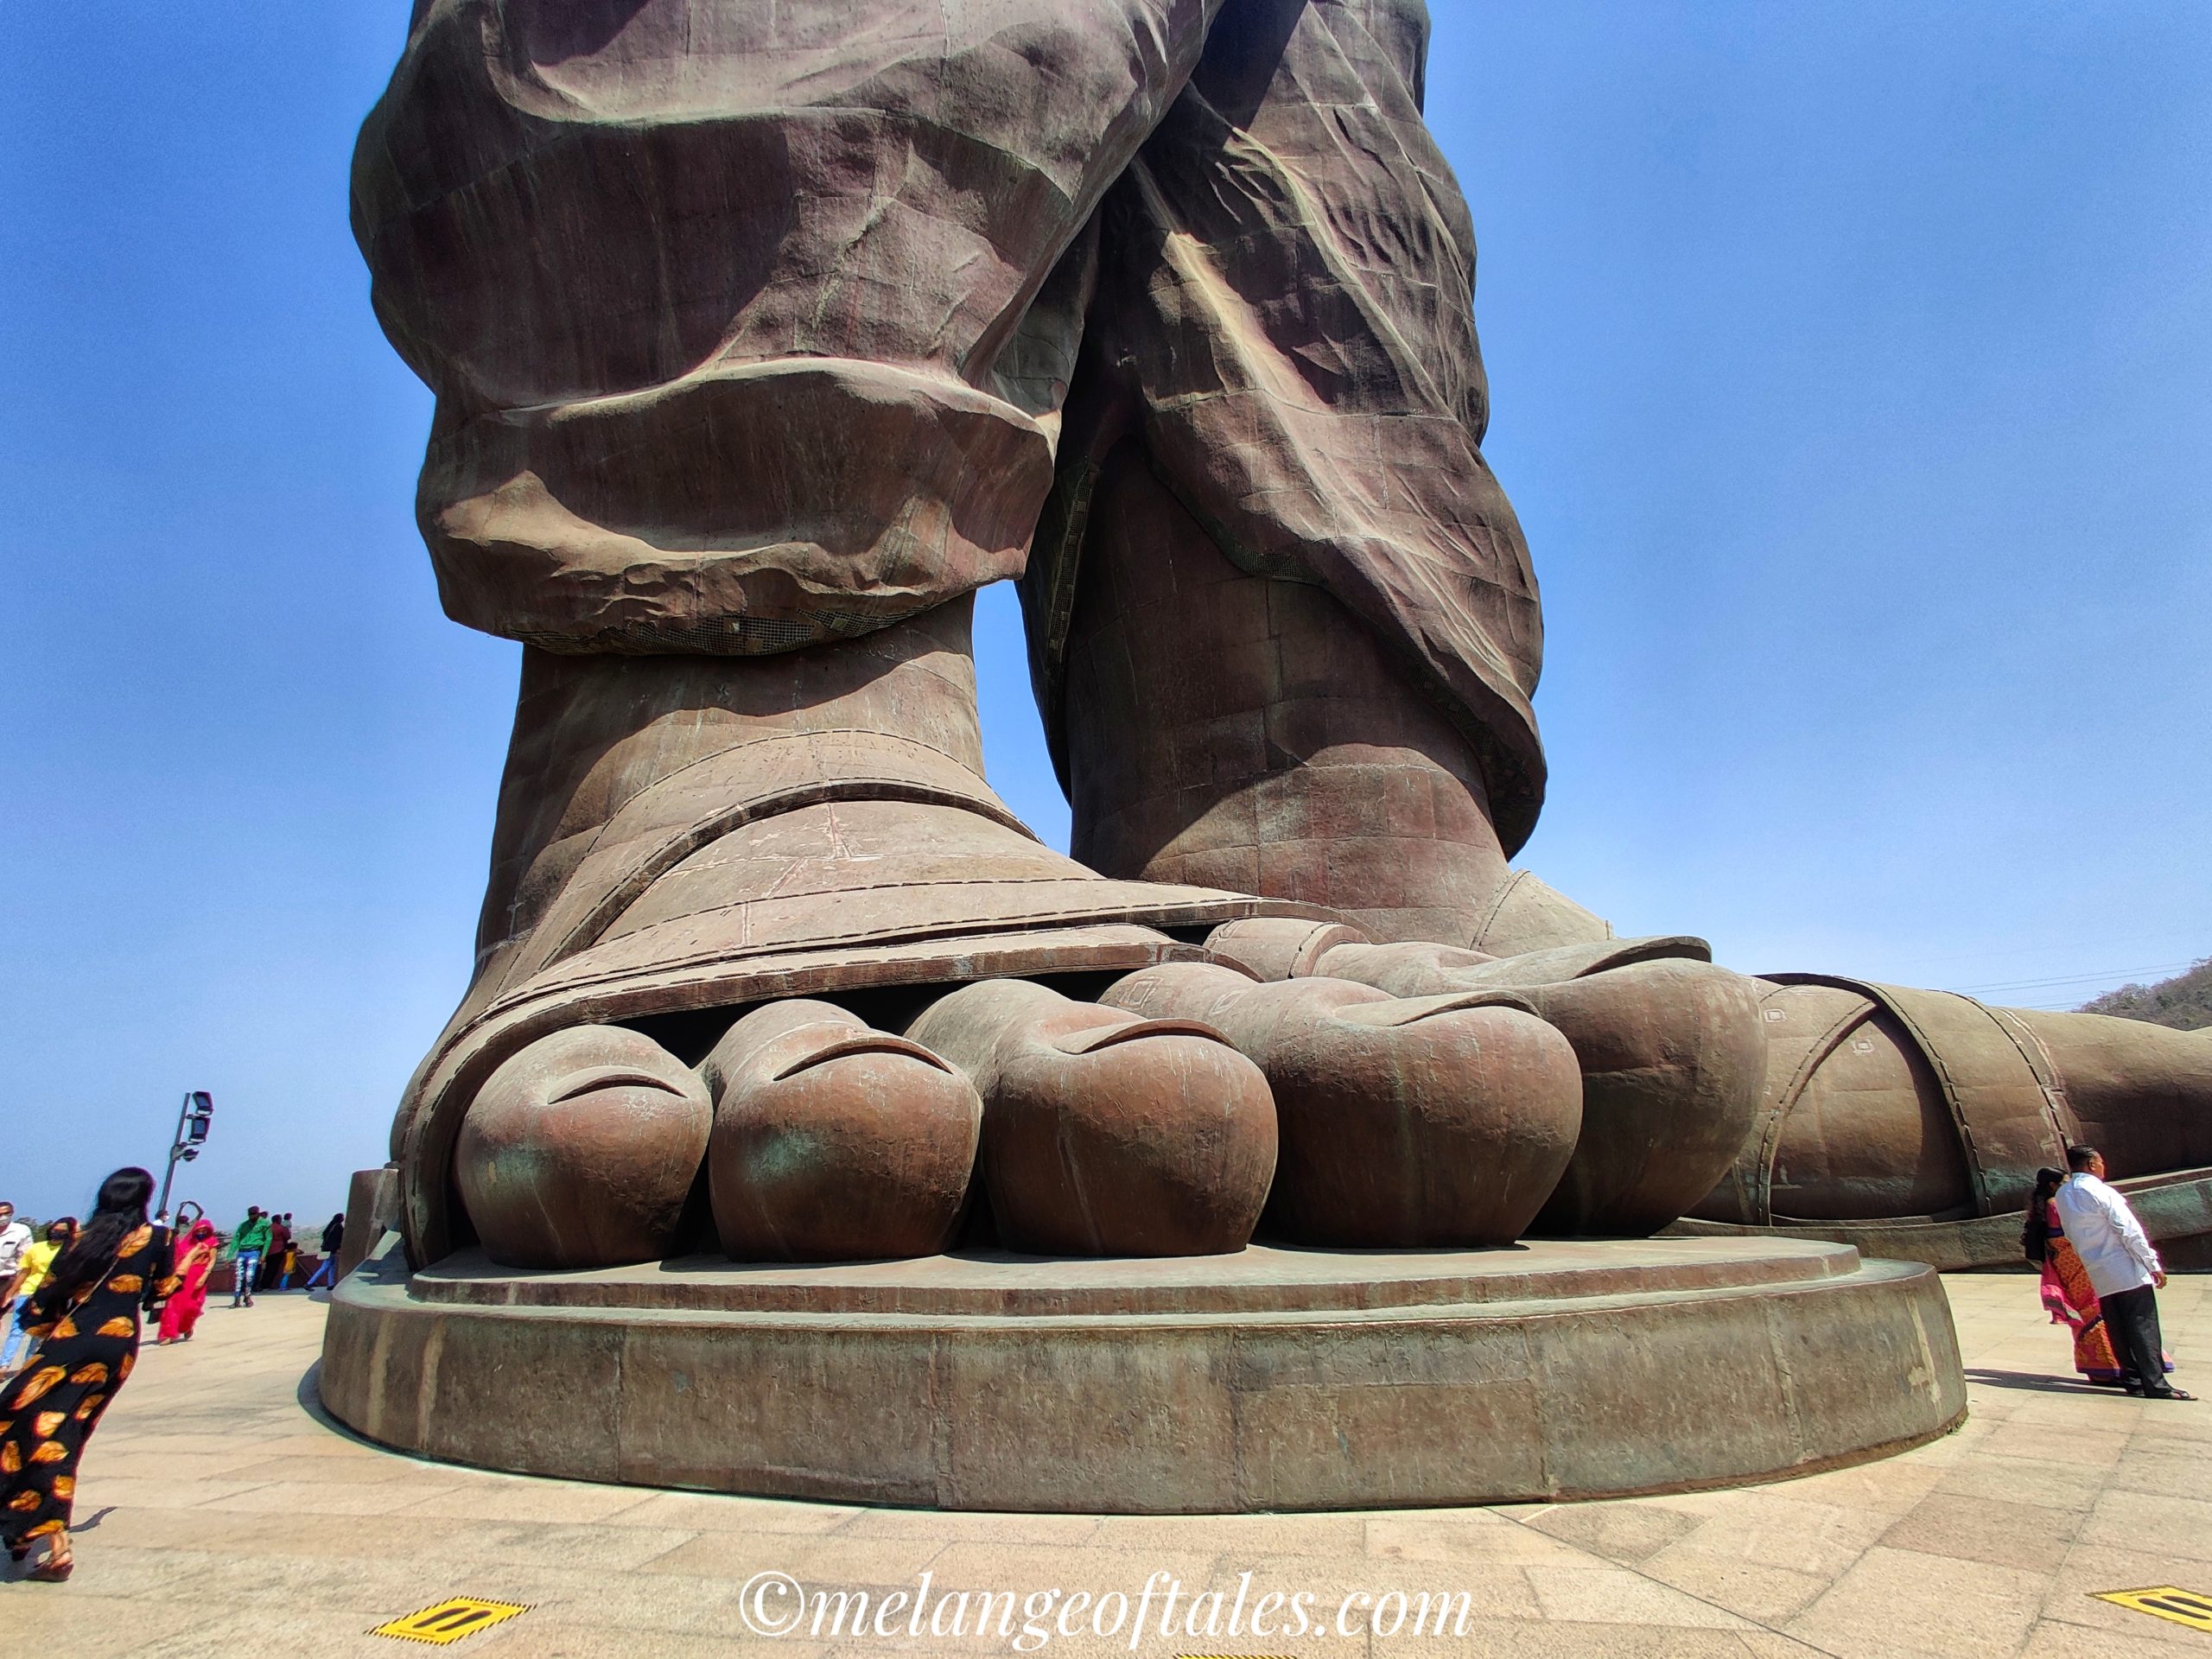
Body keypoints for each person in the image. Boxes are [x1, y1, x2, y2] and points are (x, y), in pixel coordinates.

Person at [1, 1167, 177, 1580]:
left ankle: (47, 1536)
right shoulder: (159, 1238)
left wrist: (46, 1330)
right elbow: (162, 1291)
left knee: (26, 1424)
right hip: (119, 1347)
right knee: (69, 1431)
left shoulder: (80, 1238)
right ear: (144, 1199)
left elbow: (43, 1305)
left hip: (73, 1341)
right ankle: (30, 1529)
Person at [2053, 1146, 2194, 1402]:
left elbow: (2070, 1232)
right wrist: (2151, 1263)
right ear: (2092, 1165)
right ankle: (2156, 1383)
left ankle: (2133, 1379)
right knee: (2142, 1325)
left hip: (2097, 1268)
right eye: (2101, 1162)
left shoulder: (2063, 1194)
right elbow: (2128, 1229)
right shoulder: (2099, 1190)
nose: (2104, 1167)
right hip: (2123, 1266)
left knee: (2117, 1326)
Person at [2, 1220, 77, 1375]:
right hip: (29, 1292)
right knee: (17, 1330)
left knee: (38, 1333)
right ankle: (4, 1365)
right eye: (55, 1230)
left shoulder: (70, 1251)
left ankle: (27, 1365)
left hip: (51, 1296)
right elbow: (24, 1272)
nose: (57, 1233)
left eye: (62, 1231)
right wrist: (11, 1293)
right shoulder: (36, 1248)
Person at [156, 1219, 220, 1344]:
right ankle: (168, 1333)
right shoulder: (187, 1242)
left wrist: (204, 1275)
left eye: (204, 1231)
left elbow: (212, 1260)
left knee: (192, 1306)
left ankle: (186, 1326)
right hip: (184, 1275)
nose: (201, 1233)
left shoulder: (211, 1242)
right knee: (173, 1303)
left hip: (199, 1275)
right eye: (199, 1230)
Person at [226, 1207, 270, 1307]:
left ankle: (247, 1296)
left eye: (254, 1214)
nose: (252, 1216)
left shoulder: (265, 1224)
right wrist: (229, 1256)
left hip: (254, 1251)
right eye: (250, 1214)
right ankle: (237, 1298)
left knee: (249, 1276)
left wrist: (263, 1255)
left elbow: (268, 1239)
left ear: (258, 1214)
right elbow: (236, 1240)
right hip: (242, 1251)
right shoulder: (243, 1226)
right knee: (239, 1276)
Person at [0, 1204, 29, 1357]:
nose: (3, 1217)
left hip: (7, 1279)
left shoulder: (20, 1231)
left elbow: (25, 1259)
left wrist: (16, 1287)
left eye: (6, 1213)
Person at [305, 1213, 345, 1290]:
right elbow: (338, 1239)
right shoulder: (338, 1227)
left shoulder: (331, 1226)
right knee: (324, 1268)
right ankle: (309, 1284)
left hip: (327, 1250)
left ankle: (331, 1284)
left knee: (332, 1268)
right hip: (331, 1250)